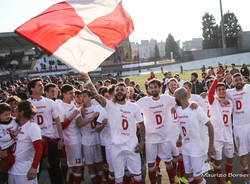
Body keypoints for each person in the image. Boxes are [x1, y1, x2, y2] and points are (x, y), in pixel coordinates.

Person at [82, 73, 145, 184]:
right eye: (117, 90)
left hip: (132, 146)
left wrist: (142, 142)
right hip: (116, 148)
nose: (119, 91)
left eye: (122, 90)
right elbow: (96, 95)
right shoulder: (110, 105)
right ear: (114, 93)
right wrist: (87, 79)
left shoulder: (133, 106)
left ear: (127, 92)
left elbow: (142, 124)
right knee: (118, 178)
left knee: (138, 177)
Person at [136, 79, 179, 184]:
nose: (153, 89)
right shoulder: (143, 101)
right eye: (151, 87)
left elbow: (180, 100)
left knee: (168, 162)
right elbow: (131, 109)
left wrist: (176, 108)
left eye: (156, 87)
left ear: (160, 88)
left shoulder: (166, 98)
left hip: (164, 137)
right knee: (151, 164)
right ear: (148, 89)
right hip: (151, 138)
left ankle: (172, 181)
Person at [175, 88, 215, 184]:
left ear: (179, 98)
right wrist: (180, 139)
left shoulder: (196, 109)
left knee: (197, 176)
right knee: (189, 175)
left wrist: (211, 145)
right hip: (186, 147)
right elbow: (181, 126)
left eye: (175, 98)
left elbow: (210, 125)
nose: (174, 100)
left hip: (197, 148)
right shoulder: (179, 110)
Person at [27, 78, 64, 184]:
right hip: (34, 142)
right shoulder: (27, 104)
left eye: (42, 84)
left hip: (50, 139)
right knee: (34, 169)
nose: (42, 86)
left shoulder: (49, 102)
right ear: (32, 88)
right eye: (39, 85)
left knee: (55, 169)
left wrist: (61, 138)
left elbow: (57, 121)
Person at [8, 101, 43, 184]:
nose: (14, 112)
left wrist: (34, 167)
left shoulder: (32, 127)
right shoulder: (16, 125)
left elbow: (39, 149)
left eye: (16, 110)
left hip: (25, 172)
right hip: (12, 170)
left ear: (22, 112)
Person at [207, 75, 234, 184]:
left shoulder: (230, 103)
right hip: (217, 137)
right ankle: (219, 181)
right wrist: (216, 80)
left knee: (230, 159)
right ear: (216, 92)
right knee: (218, 162)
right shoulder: (213, 102)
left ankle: (228, 180)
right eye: (219, 90)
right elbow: (210, 93)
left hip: (228, 136)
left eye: (223, 89)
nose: (222, 91)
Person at [227, 73, 250, 184]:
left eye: (239, 79)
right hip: (239, 128)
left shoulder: (248, 88)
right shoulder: (229, 92)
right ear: (232, 82)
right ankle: (247, 179)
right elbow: (215, 95)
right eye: (236, 80)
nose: (238, 81)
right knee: (243, 154)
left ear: (243, 80)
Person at [57, 84, 83, 184]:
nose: (73, 95)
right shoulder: (60, 106)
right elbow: (61, 126)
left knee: (74, 166)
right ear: (64, 94)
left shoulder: (73, 103)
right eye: (70, 93)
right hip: (71, 141)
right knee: (77, 166)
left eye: (73, 93)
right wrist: (72, 116)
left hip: (77, 138)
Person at [76, 89, 103, 184]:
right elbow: (79, 124)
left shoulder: (97, 107)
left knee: (99, 162)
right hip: (87, 141)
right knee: (90, 164)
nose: (82, 98)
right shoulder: (79, 110)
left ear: (90, 97)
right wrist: (91, 118)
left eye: (84, 96)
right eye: (81, 96)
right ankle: (94, 181)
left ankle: (100, 180)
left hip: (97, 139)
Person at [0, 103, 19, 183]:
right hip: (5, 147)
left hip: (14, 144)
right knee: (10, 160)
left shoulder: (14, 121)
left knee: (15, 163)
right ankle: (1, 174)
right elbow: (3, 138)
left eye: (9, 114)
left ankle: (8, 179)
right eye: (5, 115)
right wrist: (12, 134)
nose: (8, 116)